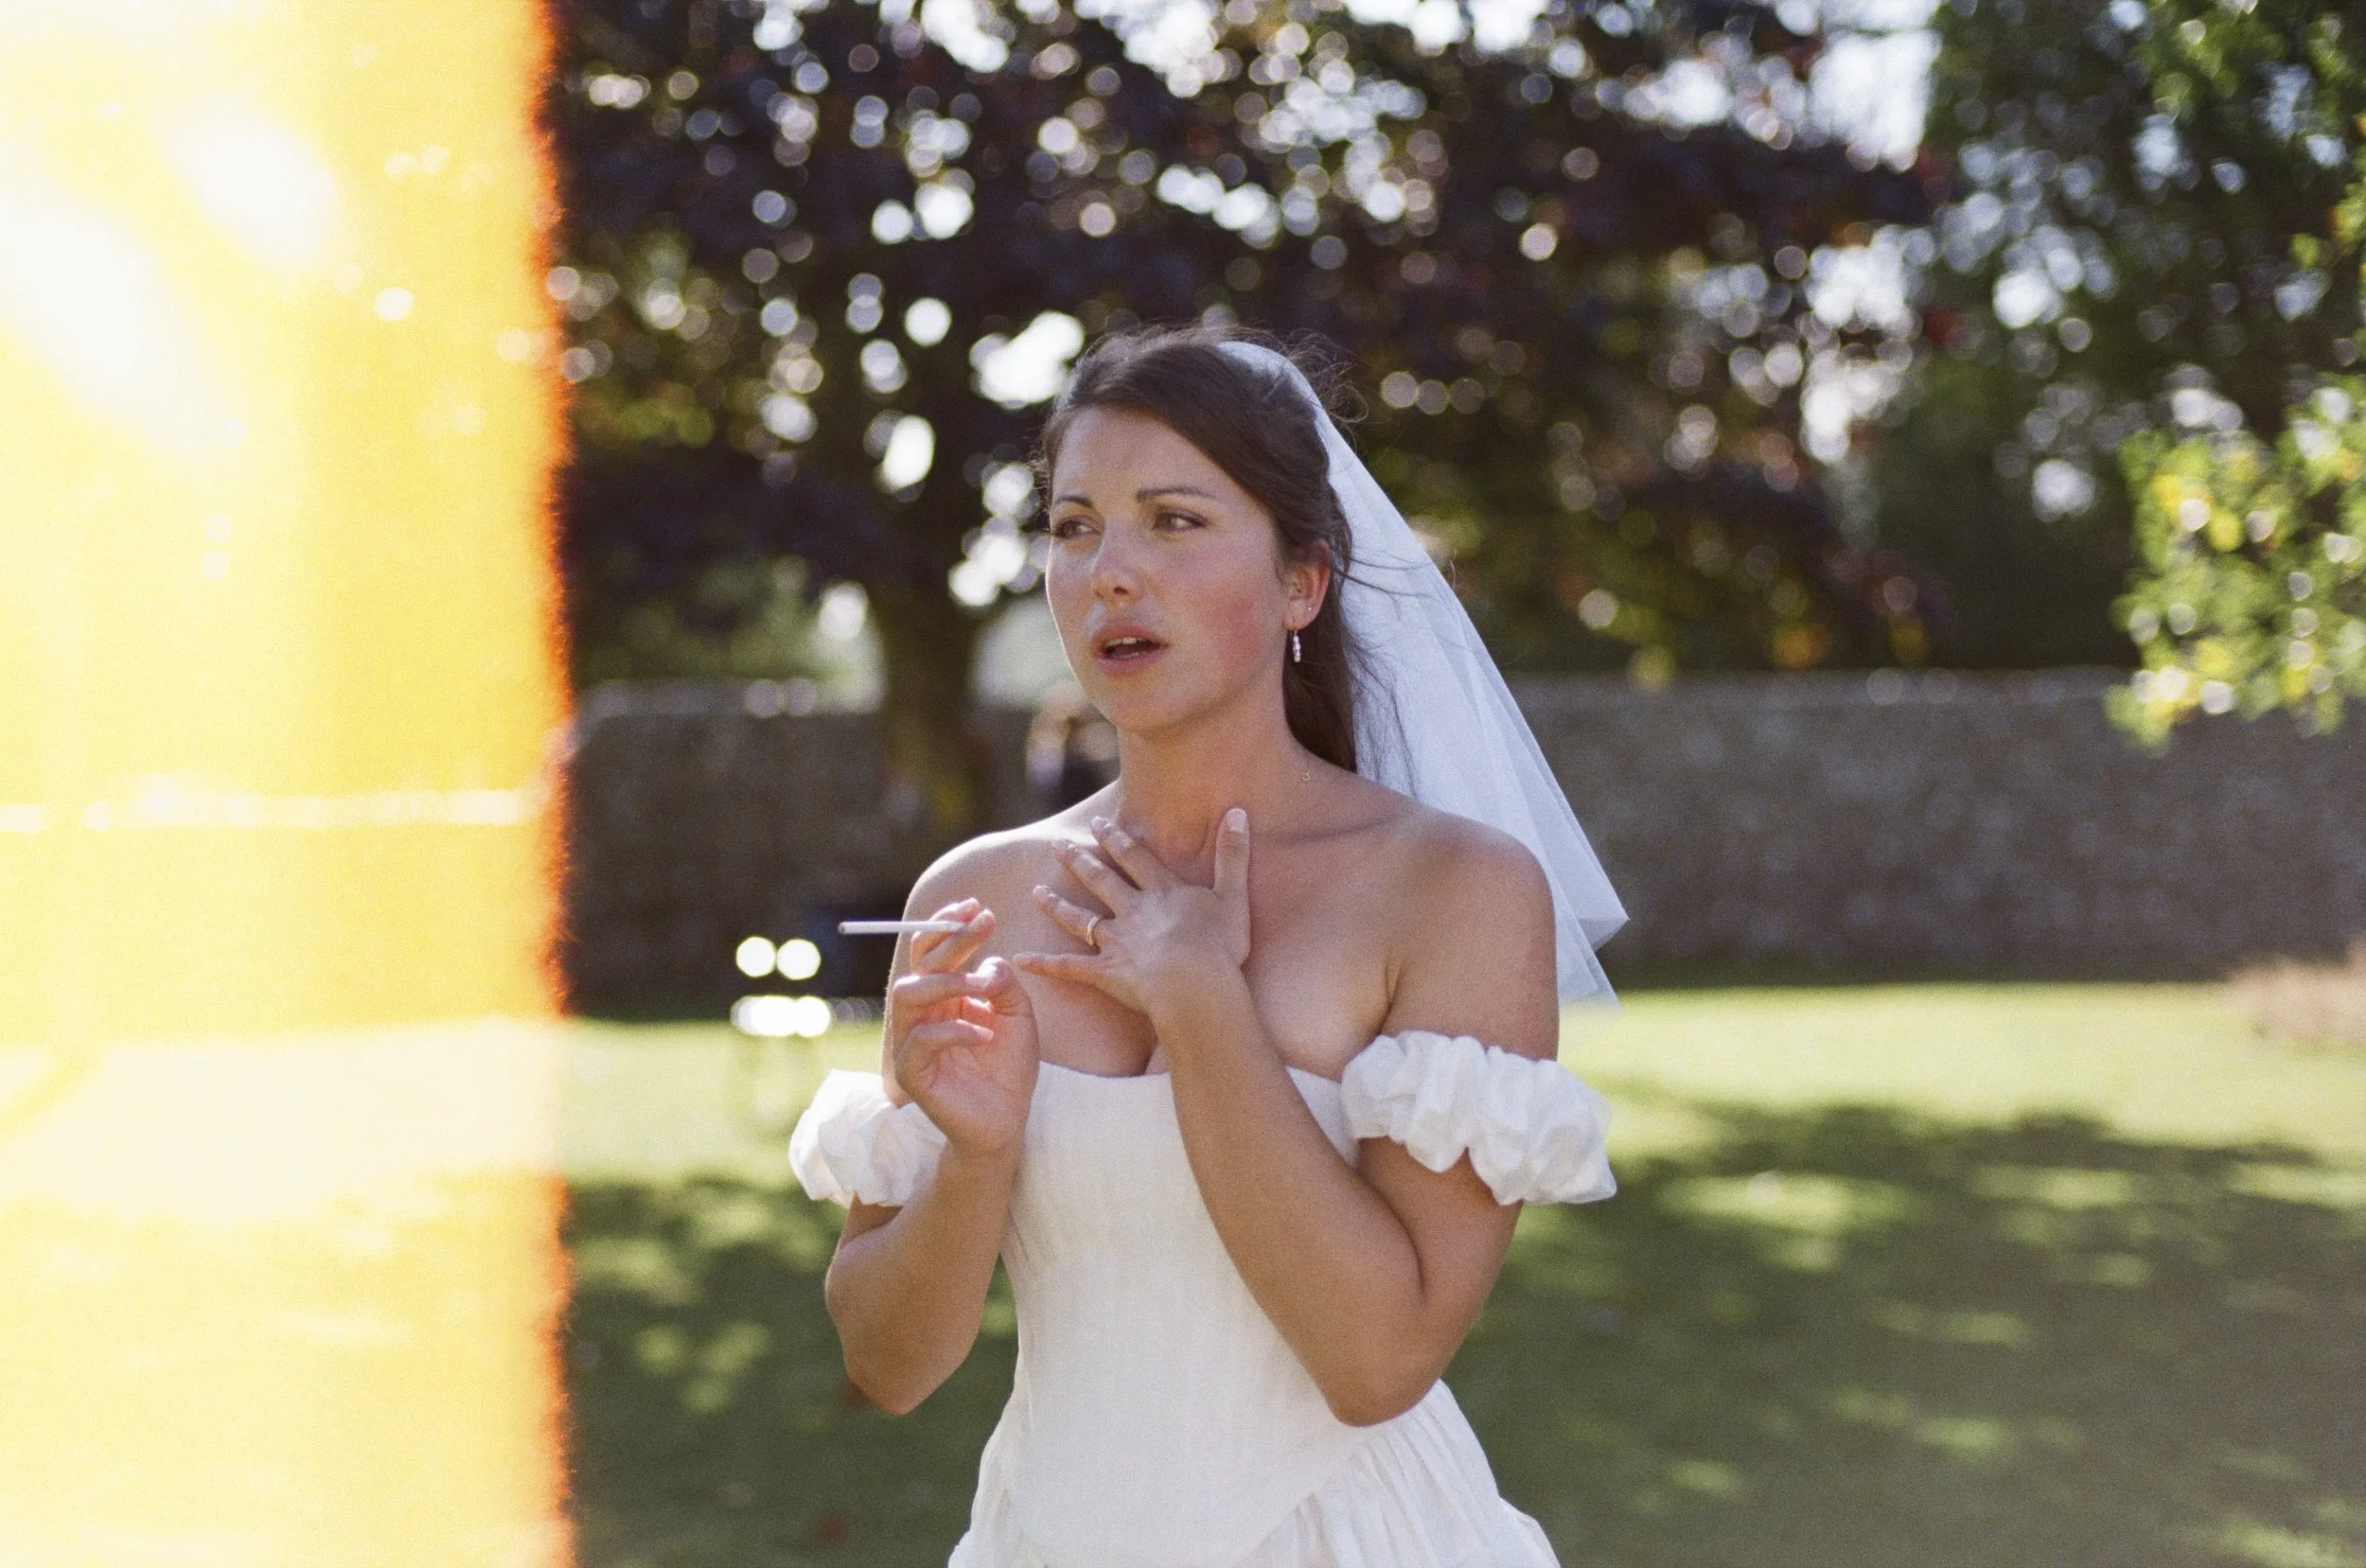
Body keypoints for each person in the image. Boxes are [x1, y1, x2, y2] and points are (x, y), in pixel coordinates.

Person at [789, 323, 1628, 1566]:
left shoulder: (1451, 891)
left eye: (1173, 520)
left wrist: (1202, 1006)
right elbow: (889, 1366)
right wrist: (974, 1155)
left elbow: (1377, 1359)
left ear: (1303, 581)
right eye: (1074, 527)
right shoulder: (977, 894)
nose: (1110, 572)